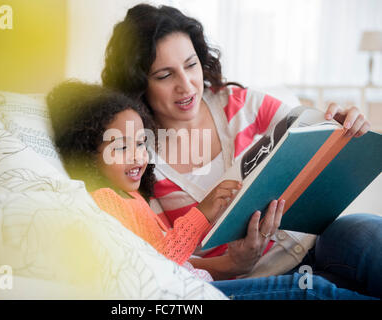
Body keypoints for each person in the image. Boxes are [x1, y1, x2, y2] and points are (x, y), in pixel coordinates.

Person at [101, 3, 381, 298]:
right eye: (164, 76)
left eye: (191, 64)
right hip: (243, 281)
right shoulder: (136, 160)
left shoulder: (239, 104)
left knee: (370, 235)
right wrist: (232, 263)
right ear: (138, 83)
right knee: (319, 291)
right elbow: (165, 259)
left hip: (315, 243)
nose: (186, 85)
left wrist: (339, 127)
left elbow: (308, 131)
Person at [46, 80, 373, 299]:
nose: (137, 156)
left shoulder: (129, 196)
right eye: (120, 148)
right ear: (87, 155)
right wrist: (201, 214)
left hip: (204, 286)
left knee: (337, 274)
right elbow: (158, 262)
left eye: (141, 143)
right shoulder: (105, 201)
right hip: (197, 294)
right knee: (311, 291)